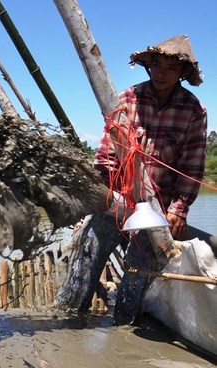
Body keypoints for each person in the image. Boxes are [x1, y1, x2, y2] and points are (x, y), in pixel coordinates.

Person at [57, 35, 208, 324]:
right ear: (149, 66)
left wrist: (179, 209)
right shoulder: (127, 99)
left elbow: (192, 166)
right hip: (121, 198)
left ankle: (124, 327)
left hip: (158, 209)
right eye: (157, 65)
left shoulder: (193, 110)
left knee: (138, 266)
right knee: (92, 244)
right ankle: (68, 316)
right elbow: (105, 156)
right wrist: (106, 195)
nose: (162, 73)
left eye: (171, 68)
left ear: (182, 74)